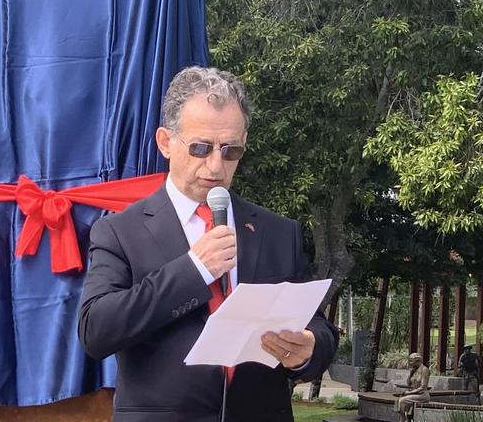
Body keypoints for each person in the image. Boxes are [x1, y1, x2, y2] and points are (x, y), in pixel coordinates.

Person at [77, 66, 338, 421]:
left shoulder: (279, 233)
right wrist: (194, 269)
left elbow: (320, 329)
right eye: (201, 148)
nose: (216, 165)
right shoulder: (120, 232)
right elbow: (96, 330)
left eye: (231, 151)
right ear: (166, 142)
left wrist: (308, 351)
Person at [395, 353, 432, 422]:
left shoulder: (424, 370)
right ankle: (404, 417)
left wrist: (409, 392)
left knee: (402, 400)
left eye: (412, 361)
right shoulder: (414, 370)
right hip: (415, 393)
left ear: (417, 361)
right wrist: (410, 373)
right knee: (398, 400)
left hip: (422, 394)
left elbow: (423, 387)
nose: (410, 363)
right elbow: (408, 383)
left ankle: (403, 419)